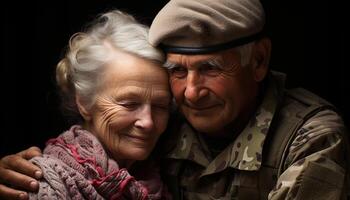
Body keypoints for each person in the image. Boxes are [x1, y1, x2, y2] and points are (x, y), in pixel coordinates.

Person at [0, 0, 349, 199]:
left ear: (258, 61)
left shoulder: (309, 138)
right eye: (177, 71)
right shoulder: (165, 118)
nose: (191, 93)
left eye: (210, 68)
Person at [0, 9, 173, 199]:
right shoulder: (42, 183)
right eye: (129, 104)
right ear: (83, 102)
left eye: (160, 106)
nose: (148, 122)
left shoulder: (167, 174)